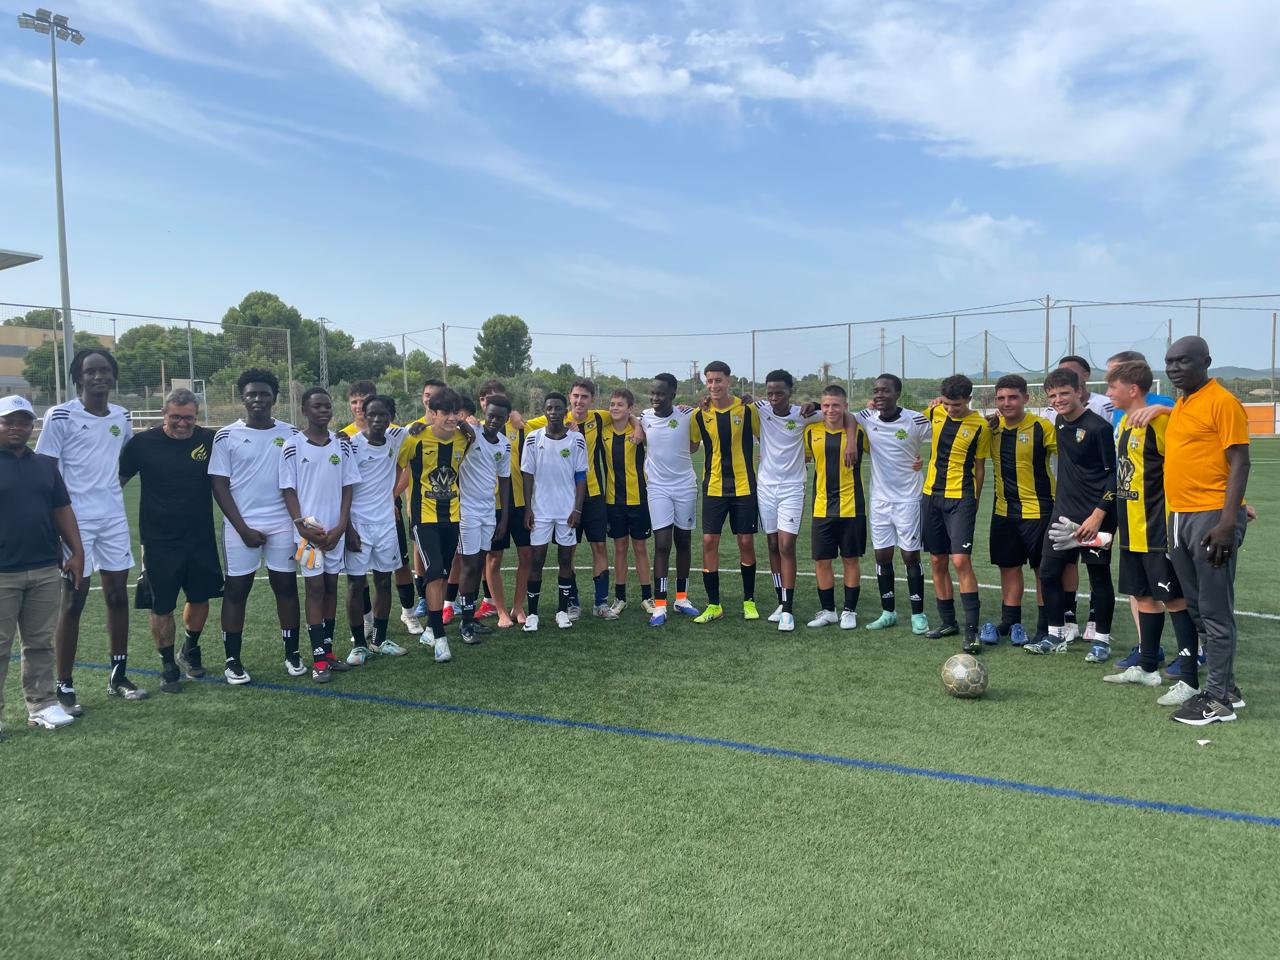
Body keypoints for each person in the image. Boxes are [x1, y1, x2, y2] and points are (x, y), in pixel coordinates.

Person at [1130, 336, 1250, 726]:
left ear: (1205, 362)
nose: (1174, 368)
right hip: (1179, 516)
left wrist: (1227, 522)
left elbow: (1240, 461)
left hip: (1210, 517)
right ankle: (1226, 688)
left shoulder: (1222, 402)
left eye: (1183, 361)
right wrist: (1161, 410)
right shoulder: (1182, 403)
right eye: (1169, 362)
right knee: (1197, 610)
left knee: (1214, 611)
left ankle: (1217, 701)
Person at [36, 348, 139, 711]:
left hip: (113, 518)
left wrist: (111, 489)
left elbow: (126, 460)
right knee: (74, 600)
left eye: (105, 370)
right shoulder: (61, 415)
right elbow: (46, 471)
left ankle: (118, 676)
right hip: (74, 520)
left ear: (114, 375)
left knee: (118, 596)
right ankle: (64, 684)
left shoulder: (122, 416)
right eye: (90, 371)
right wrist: (55, 524)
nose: (99, 377)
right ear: (78, 378)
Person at [1100, 360, 1199, 702]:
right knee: (1143, 596)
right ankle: (1146, 667)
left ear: (1132, 389)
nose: (1108, 393)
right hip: (1131, 528)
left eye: (1112, 387)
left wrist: (1166, 410)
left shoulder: (1159, 421)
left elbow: (1190, 452)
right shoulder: (1125, 422)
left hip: (1158, 528)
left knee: (1174, 599)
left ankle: (1189, 678)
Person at [118, 388, 223, 694]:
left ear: (196, 416)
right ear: (164, 415)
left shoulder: (209, 440)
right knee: (161, 604)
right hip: (158, 540)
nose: (182, 423)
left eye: (189, 418)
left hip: (200, 537)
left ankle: (189, 648)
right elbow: (116, 483)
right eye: (175, 417)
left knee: (200, 597)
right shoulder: (142, 444)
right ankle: (167, 665)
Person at [209, 369, 301, 684]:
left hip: (282, 523)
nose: (258, 399)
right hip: (241, 525)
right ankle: (232, 660)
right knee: (237, 589)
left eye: (264, 394)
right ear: (242, 398)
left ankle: (292, 653)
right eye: (252, 394)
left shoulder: (291, 433)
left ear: (275, 398)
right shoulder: (226, 435)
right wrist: (243, 528)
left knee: (286, 587)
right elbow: (219, 485)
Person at [0, 395, 84, 732]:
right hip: (3, 571)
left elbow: (62, 509)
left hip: (45, 568)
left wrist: (76, 551)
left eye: (23, 422)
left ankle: (42, 704)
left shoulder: (44, 467)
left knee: (39, 643)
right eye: (8, 421)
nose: (16, 427)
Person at [1026, 368, 1117, 659]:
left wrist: (1098, 515)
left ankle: (1101, 641)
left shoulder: (1099, 428)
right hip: (1063, 514)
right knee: (1049, 572)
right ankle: (1055, 635)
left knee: (1098, 576)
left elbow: (1113, 477)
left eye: (1064, 393)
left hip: (1096, 517)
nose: (1058, 400)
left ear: (1079, 392)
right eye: (1052, 395)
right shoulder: (1059, 423)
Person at [522, 378, 621, 620]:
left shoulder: (600, 418)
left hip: (593, 495)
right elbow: (518, 421)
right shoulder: (553, 417)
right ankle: (572, 602)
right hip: (565, 500)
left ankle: (600, 603)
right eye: (576, 396)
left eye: (584, 397)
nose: (579, 401)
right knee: (569, 551)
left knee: (599, 547)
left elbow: (626, 415)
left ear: (592, 400)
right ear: (569, 399)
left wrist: (637, 426)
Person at [281, 388, 361, 683]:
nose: (324, 410)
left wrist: (341, 527)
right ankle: (318, 658)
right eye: (317, 406)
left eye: (327, 406)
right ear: (304, 410)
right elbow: (288, 489)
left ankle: (328, 652)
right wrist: (301, 526)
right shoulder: (292, 445)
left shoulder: (342, 446)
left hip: (334, 532)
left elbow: (348, 488)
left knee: (330, 588)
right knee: (314, 589)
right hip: (308, 533)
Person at [341, 380, 421, 639]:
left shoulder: (397, 437)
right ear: (363, 415)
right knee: (356, 583)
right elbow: (342, 486)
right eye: (371, 414)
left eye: (383, 415)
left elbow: (423, 427)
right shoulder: (349, 444)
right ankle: (359, 641)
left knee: (385, 580)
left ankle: (380, 639)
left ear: (391, 417)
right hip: (358, 523)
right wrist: (347, 526)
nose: (377, 419)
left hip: (386, 522)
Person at [754, 371, 832, 632]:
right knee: (772, 543)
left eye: (780, 393)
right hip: (765, 487)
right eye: (770, 393)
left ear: (791, 392)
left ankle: (788, 610)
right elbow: (737, 403)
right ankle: (781, 601)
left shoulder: (803, 414)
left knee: (786, 545)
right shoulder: (761, 409)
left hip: (792, 488)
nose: (774, 398)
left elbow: (836, 411)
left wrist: (817, 404)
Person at [982, 375, 1055, 647]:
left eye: (1013, 397)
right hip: (1003, 511)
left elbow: (1072, 458)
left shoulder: (1042, 427)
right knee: (1009, 566)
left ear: (1026, 398)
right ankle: (1010, 621)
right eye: (1001, 398)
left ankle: (1045, 626)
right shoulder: (992, 428)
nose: (1006, 403)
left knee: (1041, 570)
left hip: (1039, 511)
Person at [857, 374, 932, 635]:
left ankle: (918, 614)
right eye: (876, 391)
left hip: (908, 499)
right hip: (879, 500)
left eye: (885, 390)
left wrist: (924, 461)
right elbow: (836, 413)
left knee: (910, 555)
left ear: (897, 393)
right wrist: (812, 406)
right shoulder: (867, 417)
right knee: (882, 556)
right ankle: (888, 612)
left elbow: (944, 434)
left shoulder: (915, 420)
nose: (879, 395)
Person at [920, 374, 990, 653]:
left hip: (961, 498)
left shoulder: (980, 426)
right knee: (937, 560)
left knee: (961, 561)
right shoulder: (934, 412)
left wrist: (975, 500)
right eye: (947, 404)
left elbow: (980, 468)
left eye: (957, 405)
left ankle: (972, 631)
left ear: (969, 399)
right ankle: (948, 622)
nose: (950, 409)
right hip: (931, 497)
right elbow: (909, 428)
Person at [397, 386, 467, 661]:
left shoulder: (463, 439)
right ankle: (439, 636)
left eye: (455, 412)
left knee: (444, 571)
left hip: (452, 516)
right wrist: (390, 499)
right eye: (445, 412)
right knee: (435, 570)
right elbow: (398, 468)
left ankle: (429, 629)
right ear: (433, 413)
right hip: (423, 517)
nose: (451, 418)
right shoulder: (415, 438)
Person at [694, 361, 760, 623]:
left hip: (744, 486)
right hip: (713, 486)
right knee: (709, 541)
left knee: (745, 541)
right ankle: (714, 605)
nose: (713, 385)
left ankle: (749, 601)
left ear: (729, 381)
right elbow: (691, 445)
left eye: (718, 380)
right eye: (709, 381)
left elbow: (767, 433)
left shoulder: (747, 410)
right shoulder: (699, 414)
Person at [804, 385, 870, 629]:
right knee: (822, 561)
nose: (830, 410)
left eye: (835, 405)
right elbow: (802, 457)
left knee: (850, 559)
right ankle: (829, 611)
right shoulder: (811, 432)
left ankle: (849, 611)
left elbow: (885, 451)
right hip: (821, 507)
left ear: (845, 407)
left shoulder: (859, 433)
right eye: (826, 405)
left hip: (852, 506)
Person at [521, 392, 588, 632]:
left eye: (558, 408)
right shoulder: (532, 438)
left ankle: (561, 611)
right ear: (544, 410)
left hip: (566, 512)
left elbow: (581, 476)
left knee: (565, 560)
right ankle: (533, 614)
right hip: (540, 511)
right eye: (549, 408)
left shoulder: (576, 440)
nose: (553, 412)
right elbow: (527, 475)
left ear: (565, 411)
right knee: (537, 560)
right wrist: (528, 508)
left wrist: (577, 508)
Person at [640, 374, 702, 626]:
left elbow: (695, 445)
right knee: (662, 543)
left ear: (673, 395)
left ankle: (681, 599)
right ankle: (660, 604)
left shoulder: (687, 415)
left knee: (683, 541)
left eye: (661, 394)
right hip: (657, 488)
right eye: (653, 393)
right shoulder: (644, 417)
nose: (655, 398)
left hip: (685, 486)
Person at [456, 394, 511, 645]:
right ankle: (465, 623)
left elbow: (504, 480)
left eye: (499, 417)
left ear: (506, 419)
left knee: (478, 565)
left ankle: (470, 617)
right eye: (490, 416)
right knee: (469, 565)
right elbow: (450, 426)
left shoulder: (504, 444)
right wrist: (464, 422)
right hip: (466, 510)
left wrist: (504, 518)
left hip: (489, 512)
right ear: (484, 414)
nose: (494, 421)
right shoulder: (471, 433)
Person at [478, 379, 532, 628]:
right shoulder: (474, 431)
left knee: (526, 555)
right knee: (493, 558)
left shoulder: (519, 427)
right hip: (492, 505)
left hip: (519, 502)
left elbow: (554, 422)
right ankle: (500, 610)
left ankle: (518, 606)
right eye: (487, 398)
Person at [602, 388, 654, 617]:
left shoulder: (640, 432)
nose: (615, 408)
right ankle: (620, 598)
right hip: (613, 501)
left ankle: (647, 597)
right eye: (612, 404)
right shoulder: (603, 430)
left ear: (630, 408)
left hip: (639, 499)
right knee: (620, 548)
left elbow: (642, 422)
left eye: (620, 404)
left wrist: (637, 424)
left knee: (640, 547)